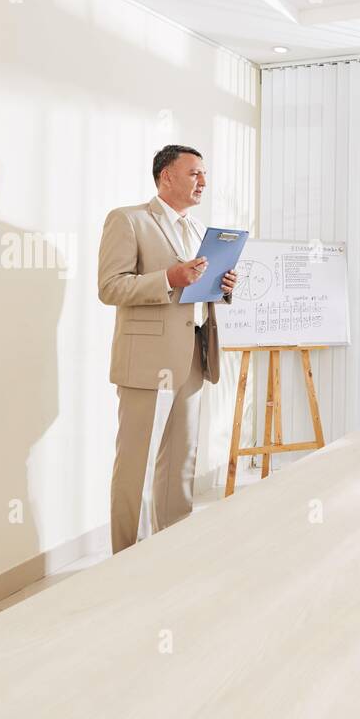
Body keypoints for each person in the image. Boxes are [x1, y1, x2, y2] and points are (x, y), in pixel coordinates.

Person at [98, 144, 238, 554]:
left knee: (181, 462)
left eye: (204, 175)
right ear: (167, 177)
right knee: (135, 465)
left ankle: (173, 551)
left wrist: (223, 289)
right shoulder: (128, 220)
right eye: (195, 174)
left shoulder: (199, 230)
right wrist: (168, 278)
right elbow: (111, 287)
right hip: (145, 362)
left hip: (194, 355)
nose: (204, 183)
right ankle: (125, 556)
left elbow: (196, 291)